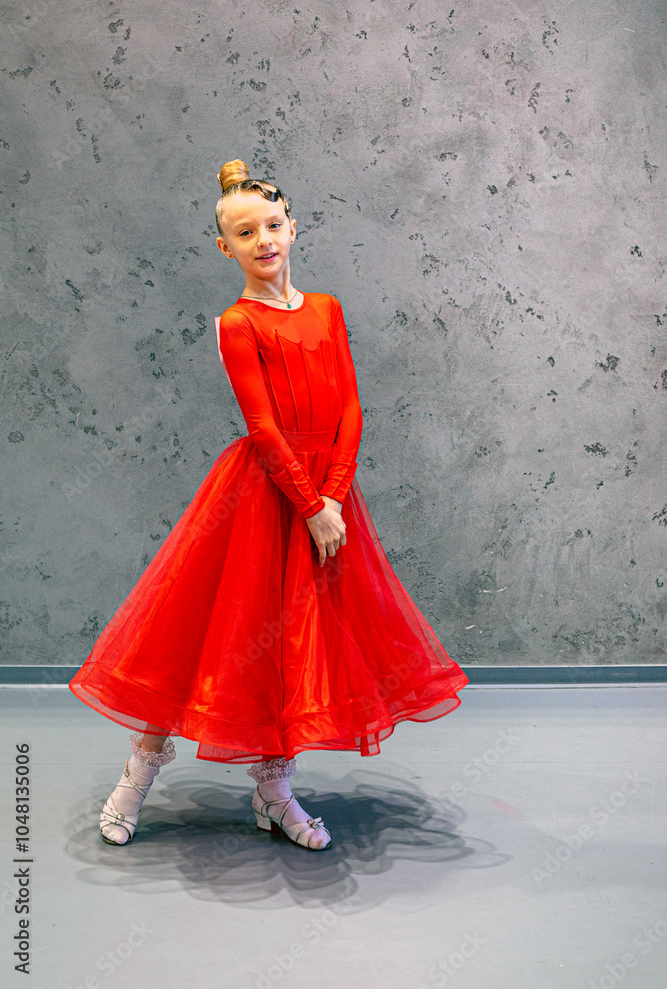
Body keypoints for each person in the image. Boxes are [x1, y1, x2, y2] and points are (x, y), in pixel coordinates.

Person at [69, 159, 469, 852]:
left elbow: (348, 405)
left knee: (296, 645)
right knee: (206, 634)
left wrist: (333, 498)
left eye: (272, 225)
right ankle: (136, 776)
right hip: (261, 497)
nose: (263, 240)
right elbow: (262, 427)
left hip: (327, 500)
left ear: (293, 226)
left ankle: (273, 787)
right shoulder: (236, 323)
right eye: (244, 232)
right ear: (225, 248)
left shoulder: (326, 309)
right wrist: (310, 503)